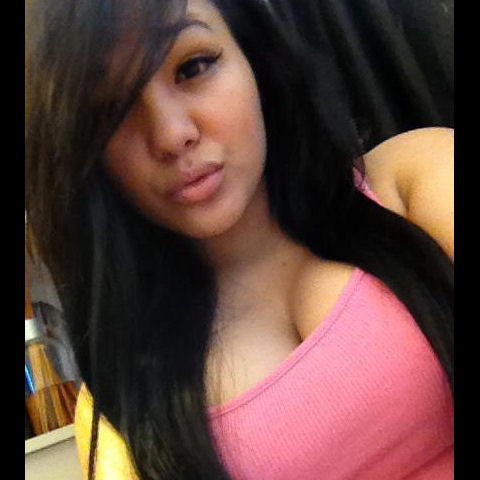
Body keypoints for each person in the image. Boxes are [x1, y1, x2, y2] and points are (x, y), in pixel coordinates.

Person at [25, 0, 454, 479]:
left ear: (253, 54)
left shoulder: (414, 179)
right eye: (111, 108)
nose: (172, 134)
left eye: (193, 67)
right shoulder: (122, 408)